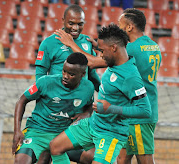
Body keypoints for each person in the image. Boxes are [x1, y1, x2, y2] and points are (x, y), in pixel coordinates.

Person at [49, 24, 152, 164]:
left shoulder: (131, 77)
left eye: (102, 50)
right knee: (55, 147)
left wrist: (111, 108)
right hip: (93, 124)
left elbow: (146, 111)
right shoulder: (112, 62)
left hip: (111, 134)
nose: (101, 54)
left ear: (114, 48)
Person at [12, 52, 95, 164]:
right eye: (64, 71)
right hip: (38, 132)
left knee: (95, 157)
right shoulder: (45, 82)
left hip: (65, 135)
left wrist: (87, 113)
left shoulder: (88, 87)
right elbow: (21, 101)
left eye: (71, 74)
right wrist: (17, 130)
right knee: (21, 161)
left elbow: (89, 105)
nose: (65, 76)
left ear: (82, 74)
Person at [116, 8, 162, 164]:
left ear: (129, 27)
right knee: (122, 158)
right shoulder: (153, 46)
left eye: (119, 23)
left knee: (145, 159)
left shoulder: (130, 49)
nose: (117, 27)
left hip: (138, 115)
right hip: (137, 111)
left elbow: (102, 62)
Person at [35, 4, 100, 92]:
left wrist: (102, 93)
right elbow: (40, 74)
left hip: (80, 97)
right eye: (71, 23)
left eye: (80, 24)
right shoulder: (49, 43)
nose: (75, 28)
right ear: (63, 20)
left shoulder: (87, 41)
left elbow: (92, 73)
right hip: (57, 96)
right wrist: (43, 95)